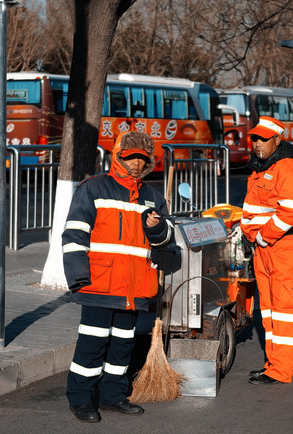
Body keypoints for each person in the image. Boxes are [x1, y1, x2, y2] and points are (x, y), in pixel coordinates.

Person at [62, 131, 173, 423]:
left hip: (135, 287)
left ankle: (113, 395)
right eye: (130, 157)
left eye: (141, 159)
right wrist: (77, 277)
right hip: (99, 284)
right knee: (92, 343)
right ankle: (81, 399)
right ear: (118, 156)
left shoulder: (153, 197)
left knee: (123, 343)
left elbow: (167, 239)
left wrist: (157, 229)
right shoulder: (94, 188)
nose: (136, 164)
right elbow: (74, 234)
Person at [241, 116, 293, 385]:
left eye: (263, 139)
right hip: (266, 249)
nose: (257, 144)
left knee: (284, 309)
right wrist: (252, 236)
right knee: (269, 309)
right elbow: (254, 210)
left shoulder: (287, 169)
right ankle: (273, 365)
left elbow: (290, 212)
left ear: (277, 140)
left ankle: (281, 370)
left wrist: (260, 236)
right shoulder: (261, 169)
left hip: (284, 248)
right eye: (254, 139)